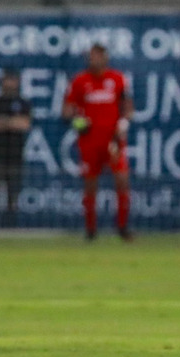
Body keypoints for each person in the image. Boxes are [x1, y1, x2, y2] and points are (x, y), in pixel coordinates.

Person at [63, 44, 134, 241]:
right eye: (89, 56)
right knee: (90, 184)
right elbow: (67, 111)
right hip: (89, 142)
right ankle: (91, 230)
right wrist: (78, 123)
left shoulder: (118, 79)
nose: (91, 60)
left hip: (113, 141)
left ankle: (122, 227)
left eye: (95, 56)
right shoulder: (79, 81)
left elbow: (128, 108)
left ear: (105, 57)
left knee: (122, 180)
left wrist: (123, 123)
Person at [0, 69, 31, 228]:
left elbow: (24, 124)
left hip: (15, 155)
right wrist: (12, 122)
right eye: (7, 80)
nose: (10, 83)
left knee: (13, 195)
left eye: (13, 80)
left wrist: (3, 122)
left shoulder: (23, 102)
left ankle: (10, 228)